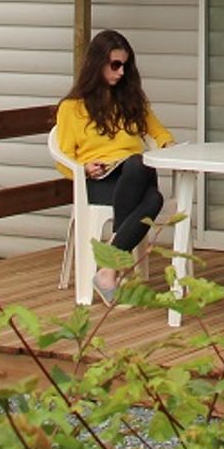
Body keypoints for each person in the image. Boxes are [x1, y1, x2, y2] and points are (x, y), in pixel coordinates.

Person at [55, 29, 174, 303]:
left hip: (133, 173)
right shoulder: (72, 108)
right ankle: (111, 268)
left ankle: (108, 268)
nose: (121, 72)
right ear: (98, 64)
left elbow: (160, 132)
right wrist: (84, 167)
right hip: (99, 181)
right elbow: (63, 157)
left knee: (137, 164)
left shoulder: (131, 100)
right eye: (115, 65)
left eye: (125, 65)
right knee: (152, 196)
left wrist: (167, 145)